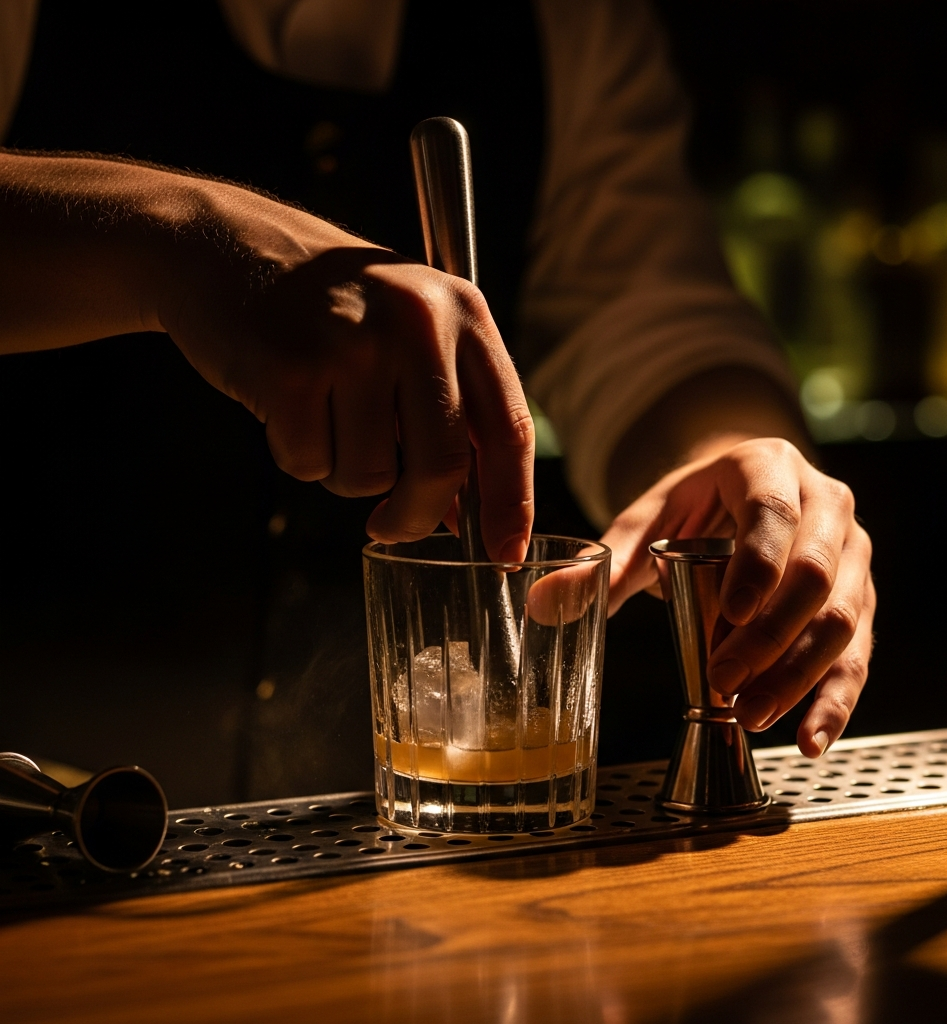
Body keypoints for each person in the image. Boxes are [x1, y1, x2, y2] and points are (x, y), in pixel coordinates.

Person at [0, 0, 873, 761]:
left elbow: (647, 318)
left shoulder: (565, 19)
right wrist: (173, 234)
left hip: (370, 835)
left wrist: (746, 463)